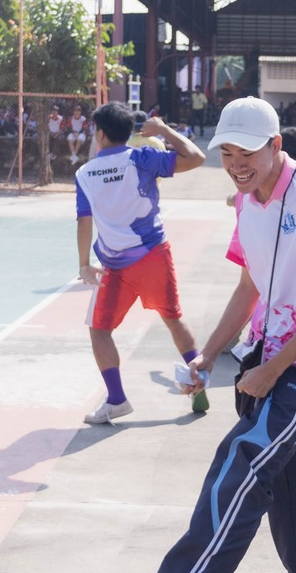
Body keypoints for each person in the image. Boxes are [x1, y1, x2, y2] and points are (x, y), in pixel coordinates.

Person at [124, 96, 296, 573]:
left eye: (245, 153)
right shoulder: (248, 202)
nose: (235, 164)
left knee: (242, 465)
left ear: (275, 146)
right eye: (226, 152)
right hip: (261, 358)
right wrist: (208, 355)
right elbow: (249, 289)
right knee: (289, 484)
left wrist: (274, 369)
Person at [74, 103, 207, 425]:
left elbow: (83, 220)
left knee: (100, 331)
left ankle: (117, 400)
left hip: (115, 267)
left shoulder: (85, 173)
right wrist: (163, 130)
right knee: (174, 320)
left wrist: (83, 264)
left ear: (101, 133)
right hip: (153, 257)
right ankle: (199, 386)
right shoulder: (141, 158)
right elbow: (196, 157)